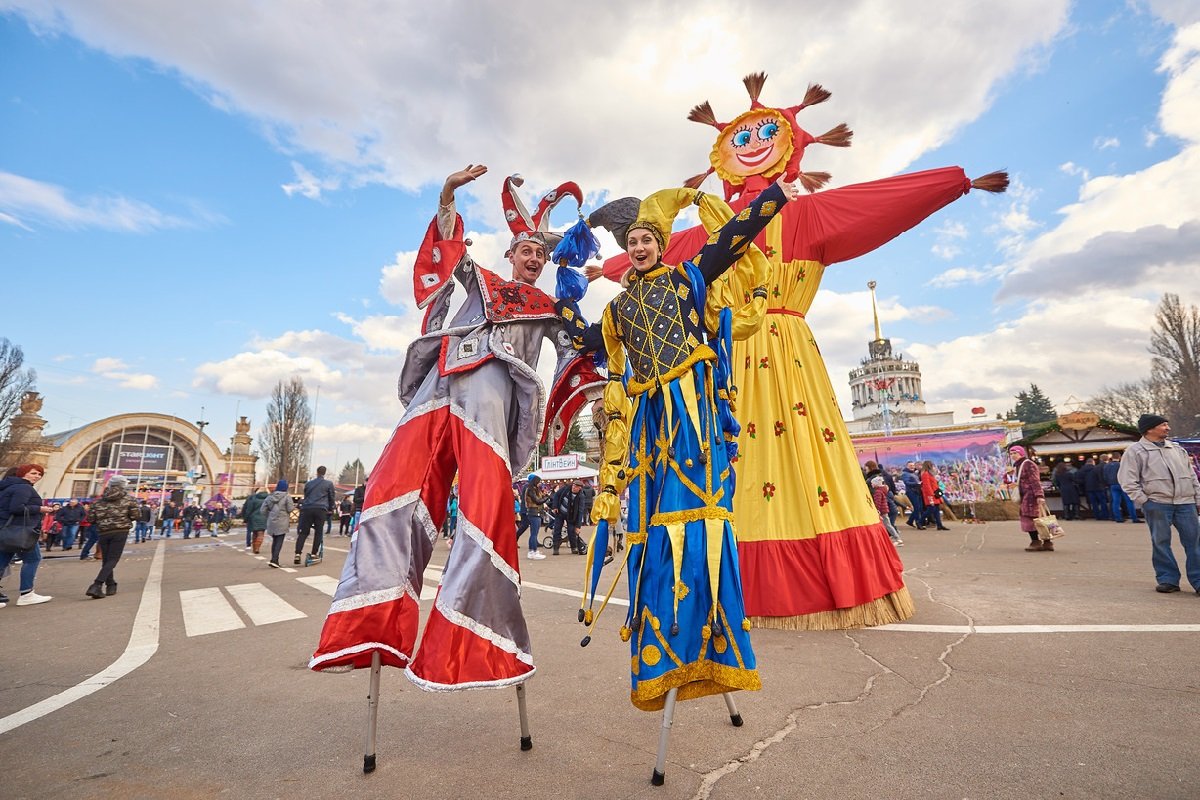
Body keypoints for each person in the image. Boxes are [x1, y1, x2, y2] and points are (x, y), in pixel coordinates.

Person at [310, 163, 591, 694]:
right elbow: (448, 252)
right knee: (390, 499)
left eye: (541, 254)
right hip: (435, 393)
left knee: (485, 519)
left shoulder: (550, 308)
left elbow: (582, 351)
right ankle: (368, 625)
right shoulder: (481, 280)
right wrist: (445, 196)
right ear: (511, 254)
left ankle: (472, 642)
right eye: (526, 250)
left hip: (488, 415)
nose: (533, 258)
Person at [564, 173, 799, 711]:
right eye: (632, 243)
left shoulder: (687, 280)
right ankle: (669, 649)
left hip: (696, 422)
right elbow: (584, 341)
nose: (639, 247)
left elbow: (732, 239)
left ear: (661, 244)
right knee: (655, 530)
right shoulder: (618, 311)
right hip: (651, 434)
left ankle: (713, 645)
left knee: (702, 521)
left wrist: (774, 197)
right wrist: (558, 298)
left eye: (646, 240)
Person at [1118, 414, 1200, 594]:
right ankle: (1168, 580)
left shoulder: (1178, 449)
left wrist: (1197, 498)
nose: (1168, 428)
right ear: (1149, 429)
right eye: (1163, 425)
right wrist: (1145, 501)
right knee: (1161, 542)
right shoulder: (1135, 451)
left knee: (1195, 542)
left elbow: (1192, 475)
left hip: (1186, 502)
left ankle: (1199, 580)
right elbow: (1127, 480)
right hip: (1158, 503)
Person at [0, 464, 55, 606]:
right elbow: (17, 508)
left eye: (39, 474)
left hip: (8, 530)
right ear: (23, 473)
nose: (36, 476)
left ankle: (27, 593)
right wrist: (40, 508)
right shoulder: (24, 488)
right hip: (19, 530)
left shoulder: (10, 486)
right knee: (33, 559)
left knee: (2, 561)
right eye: (33, 473)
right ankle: (26, 594)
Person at [84, 476, 140, 599]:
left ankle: (111, 585)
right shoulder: (129, 499)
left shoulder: (98, 502)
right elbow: (135, 515)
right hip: (120, 530)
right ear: (123, 485)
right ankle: (97, 584)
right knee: (113, 559)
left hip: (103, 532)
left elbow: (90, 519)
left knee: (107, 559)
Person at [1010, 446, 1050, 552]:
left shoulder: (1028, 464)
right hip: (1026, 496)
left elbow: (1035, 481)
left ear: (1021, 453)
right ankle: (1046, 542)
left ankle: (1037, 541)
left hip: (1031, 496)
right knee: (1037, 519)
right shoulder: (1018, 465)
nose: (1013, 455)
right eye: (1011, 453)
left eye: (1015, 453)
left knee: (1033, 519)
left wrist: (1039, 496)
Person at [294, 466, 335, 564]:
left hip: (307, 508)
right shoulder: (328, 484)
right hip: (320, 509)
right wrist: (331, 509)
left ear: (317, 472)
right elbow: (331, 497)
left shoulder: (308, 484)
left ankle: (298, 553)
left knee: (303, 532)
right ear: (324, 473)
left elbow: (306, 496)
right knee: (318, 531)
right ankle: (313, 553)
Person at [514, 474, 549, 560]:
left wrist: (544, 496)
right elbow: (537, 501)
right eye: (539, 482)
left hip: (533, 512)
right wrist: (546, 498)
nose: (540, 484)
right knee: (533, 532)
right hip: (532, 512)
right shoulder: (529, 489)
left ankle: (533, 550)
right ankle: (532, 551)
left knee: (533, 532)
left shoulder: (532, 488)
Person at [549, 480, 587, 556]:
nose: (573, 487)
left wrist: (578, 526)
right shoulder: (566, 489)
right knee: (557, 529)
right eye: (573, 485)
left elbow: (580, 512)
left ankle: (574, 547)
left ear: (580, 488)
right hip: (560, 512)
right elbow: (556, 495)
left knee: (571, 531)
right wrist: (555, 506)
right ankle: (555, 548)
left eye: (576, 487)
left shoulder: (581, 496)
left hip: (571, 515)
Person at [1105, 452, 1138, 523]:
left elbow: (1105, 476)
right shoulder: (1121, 465)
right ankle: (1134, 518)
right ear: (1119, 457)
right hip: (1123, 484)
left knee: (1115, 502)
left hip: (1112, 485)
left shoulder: (1107, 466)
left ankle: (1118, 518)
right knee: (1129, 501)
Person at [870, 476, 902, 546]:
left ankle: (897, 539)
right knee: (887, 525)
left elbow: (877, 503)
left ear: (876, 484)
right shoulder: (882, 491)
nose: (871, 485)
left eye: (872, 483)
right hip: (884, 510)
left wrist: (877, 510)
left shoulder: (877, 492)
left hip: (881, 511)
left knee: (887, 525)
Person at [920, 461, 950, 531]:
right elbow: (926, 485)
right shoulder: (925, 474)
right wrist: (931, 494)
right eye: (932, 465)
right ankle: (920, 521)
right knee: (931, 509)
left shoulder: (930, 474)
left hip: (935, 494)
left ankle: (939, 525)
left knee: (936, 510)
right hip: (931, 495)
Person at [900, 461, 927, 530]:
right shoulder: (905, 474)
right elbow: (907, 482)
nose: (912, 467)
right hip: (911, 492)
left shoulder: (914, 473)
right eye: (910, 465)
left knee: (919, 508)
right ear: (907, 466)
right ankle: (918, 523)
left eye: (913, 465)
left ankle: (910, 521)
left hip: (917, 491)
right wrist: (917, 483)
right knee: (917, 508)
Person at [242, 487, 269, 554]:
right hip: (264, 518)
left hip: (253, 518)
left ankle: (254, 547)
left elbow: (249, 510)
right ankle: (257, 547)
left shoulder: (253, 499)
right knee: (261, 534)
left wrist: (245, 519)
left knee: (255, 533)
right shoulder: (268, 499)